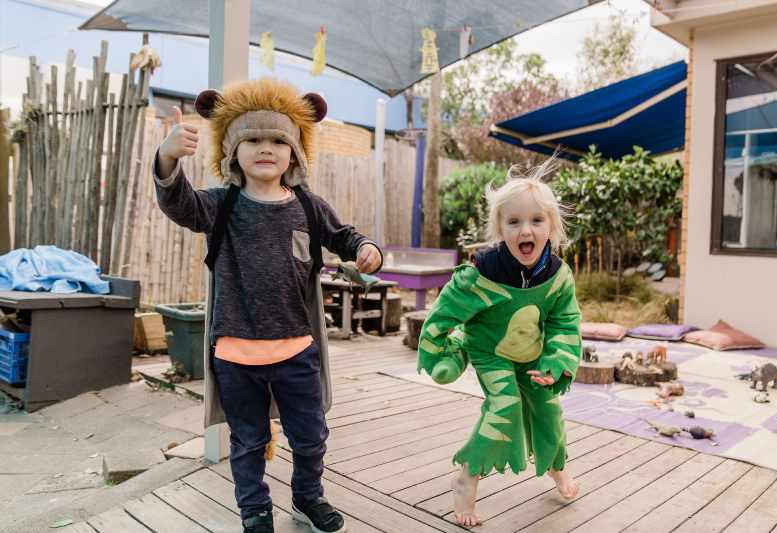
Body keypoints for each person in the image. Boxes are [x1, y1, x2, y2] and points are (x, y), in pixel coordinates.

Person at [153, 77, 382, 533]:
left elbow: (344, 236)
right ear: (232, 151)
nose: (266, 148)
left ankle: (307, 498)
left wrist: (365, 247)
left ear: (294, 152)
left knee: (311, 438)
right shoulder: (220, 206)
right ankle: (255, 509)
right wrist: (167, 157)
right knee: (249, 441)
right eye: (252, 139)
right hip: (237, 357)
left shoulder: (308, 207)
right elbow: (178, 203)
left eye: (278, 140)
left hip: (298, 350)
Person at [416, 160, 581, 526]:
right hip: (490, 353)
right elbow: (444, 312)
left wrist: (556, 361)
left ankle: (556, 467)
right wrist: (437, 350)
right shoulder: (483, 270)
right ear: (500, 230)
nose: (526, 230)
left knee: (549, 409)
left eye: (537, 221)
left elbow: (564, 323)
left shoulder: (558, 275)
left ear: (551, 227)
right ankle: (466, 480)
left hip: (533, 355)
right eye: (514, 222)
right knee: (504, 404)